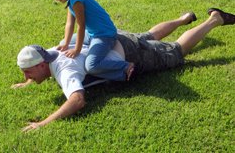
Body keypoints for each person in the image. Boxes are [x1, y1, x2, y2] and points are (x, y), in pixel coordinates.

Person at [12, 8, 235, 132]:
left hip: (128, 55)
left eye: (28, 72)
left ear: (42, 65)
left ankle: (213, 20)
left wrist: (42, 124)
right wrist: (30, 81)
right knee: (148, 36)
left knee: (176, 51)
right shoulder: (53, 51)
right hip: (112, 38)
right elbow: (42, 67)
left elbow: (77, 100)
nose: (25, 76)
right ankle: (183, 18)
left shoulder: (65, 70)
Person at [43, 0, 133, 81]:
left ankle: (125, 67)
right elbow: (70, 23)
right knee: (62, 43)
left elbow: (81, 25)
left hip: (104, 35)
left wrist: (77, 49)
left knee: (91, 66)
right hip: (91, 34)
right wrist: (66, 43)